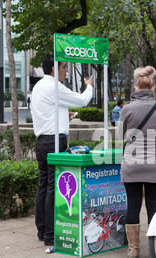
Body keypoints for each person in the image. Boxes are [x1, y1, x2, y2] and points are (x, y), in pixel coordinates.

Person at [31, 53, 94, 246]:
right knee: (52, 187)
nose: (66, 71)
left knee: (43, 185)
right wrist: (89, 86)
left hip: (42, 141)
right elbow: (83, 100)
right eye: (64, 67)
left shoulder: (38, 86)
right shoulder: (54, 86)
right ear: (54, 68)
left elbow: (46, 112)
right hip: (54, 142)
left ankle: (42, 230)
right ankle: (51, 235)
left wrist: (63, 118)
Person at [118, 66, 156, 258]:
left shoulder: (127, 109)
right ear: (152, 88)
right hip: (155, 166)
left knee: (133, 205)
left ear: (136, 87)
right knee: (154, 207)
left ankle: (133, 249)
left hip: (132, 165)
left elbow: (121, 136)